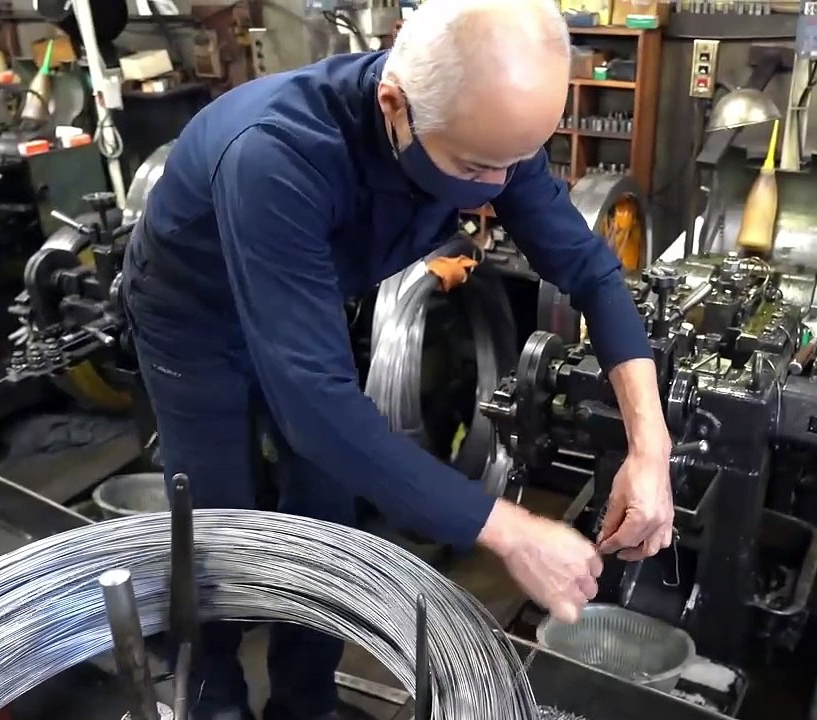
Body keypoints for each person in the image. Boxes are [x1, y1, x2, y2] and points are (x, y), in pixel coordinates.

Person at [121, 1, 673, 718]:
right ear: (394, 105)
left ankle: (304, 702)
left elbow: (593, 273)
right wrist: (512, 532)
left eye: (514, 163)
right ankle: (209, 698)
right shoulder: (275, 154)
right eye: (475, 166)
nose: (499, 186)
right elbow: (317, 412)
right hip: (195, 318)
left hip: (307, 297)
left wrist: (650, 447)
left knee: (327, 514)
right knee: (218, 525)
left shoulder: (480, 131)